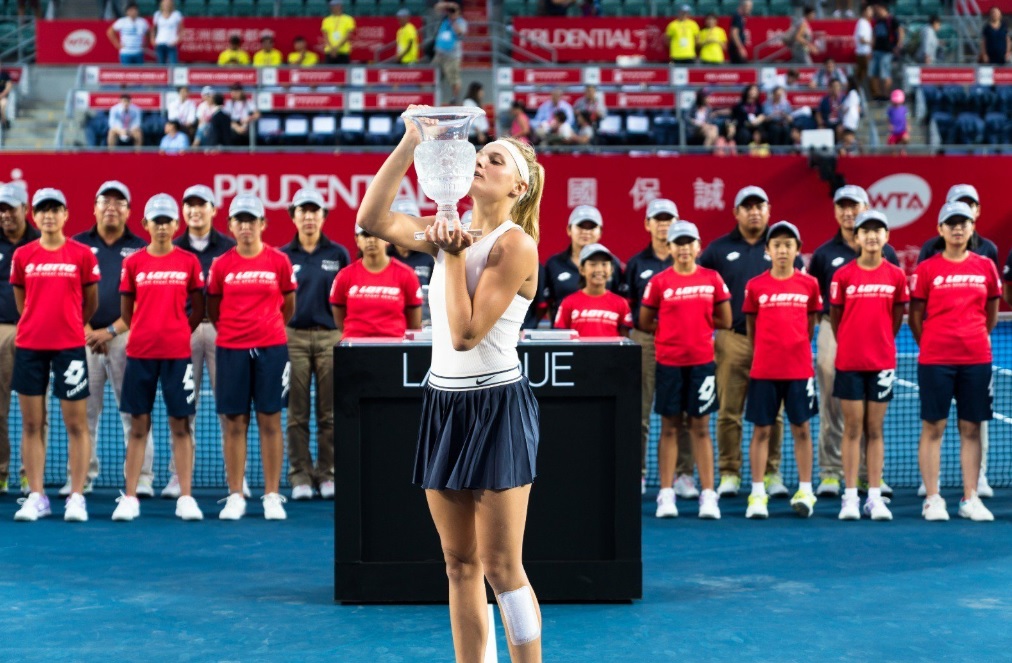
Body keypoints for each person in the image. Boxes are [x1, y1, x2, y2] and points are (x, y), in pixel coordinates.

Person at [356, 114, 546, 661]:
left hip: (496, 406)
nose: (482, 160)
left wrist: (455, 251)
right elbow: (372, 217)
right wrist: (411, 140)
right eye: (480, 154)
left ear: (519, 185)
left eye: (497, 159)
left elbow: (464, 336)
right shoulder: (448, 231)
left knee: (503, 568)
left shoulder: (516, 246)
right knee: (458, 563)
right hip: (444, 404)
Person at [699, 186, 801, 499]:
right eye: (748, 207)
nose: (754, 212)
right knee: (729, 410)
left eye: (760, 206)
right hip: (733, 340)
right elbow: (703, 289)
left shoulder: (781, 246)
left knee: (776, 412)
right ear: (737, 213)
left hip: (774, 344)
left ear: (768, 210)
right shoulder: (717, 250)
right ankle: (729, 472)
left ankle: (771, 473)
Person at [115, 194, 205, 522]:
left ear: (176, 224)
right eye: (157, 221)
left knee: (181, 426)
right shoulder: (133, 263)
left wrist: (181, 330)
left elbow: (198, 307)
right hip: (140, 354)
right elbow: (127, 312)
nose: (163, 227)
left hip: (177, 355)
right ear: (146, 225)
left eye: (168, 221)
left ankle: (186, 498)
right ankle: (129, 497)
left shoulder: (189, 262)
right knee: (138, 426)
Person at [11, 188, 98, 522]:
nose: (48, 215)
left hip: (70, 347)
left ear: (66, 215)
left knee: (76, 424)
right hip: (31, 346)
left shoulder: (81, 255)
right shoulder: (23, 256)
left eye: (55, 209)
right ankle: (37, 496)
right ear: (34, 215)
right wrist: (35, 322)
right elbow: (23, 301)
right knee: (32, 423)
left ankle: (76, 496)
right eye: (42, 210)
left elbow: (90, 302)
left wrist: (72, 324)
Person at [207, 194, 295, 521]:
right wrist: (237, 333)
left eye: (252, 220)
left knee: (270, 421)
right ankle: (235, 495)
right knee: (234, 422)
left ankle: (272, 494)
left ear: (263, 224)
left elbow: (288, 305)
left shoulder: (279, 262)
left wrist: (267, 329)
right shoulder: (221, 265)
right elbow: (214, 309)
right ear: (230, 226)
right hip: (231, 349)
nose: (246, 226)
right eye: (239, 220)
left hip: (272, 349)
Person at [911, 202, 1000, 522]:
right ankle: (933, 498)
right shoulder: (927, 269)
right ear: (940, 230)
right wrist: (935, 343)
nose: (958, 228)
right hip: (936, 359)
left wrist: (973, 336)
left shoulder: (985, 267)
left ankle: (970, 497)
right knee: (933, 427)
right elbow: (915, 316)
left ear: (972, 227)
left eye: (963, 223)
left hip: (976, 358)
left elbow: (991, 314)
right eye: (951, 223)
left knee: (972, 428)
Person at [807, 185, 899, 499]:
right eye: (842, 206)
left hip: (874, 333)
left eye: (854, 205)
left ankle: (867, 475)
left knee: (873, 411)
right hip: (834, 326)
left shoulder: (886, 253)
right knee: (833, 397)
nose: (848, 212)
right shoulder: (823, 254)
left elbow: (897, 306)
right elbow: (816, 296)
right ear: (835, 212)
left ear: (865, 207)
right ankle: (831, 473)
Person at [641, 221, 731, 520]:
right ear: (670, 248)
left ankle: (708, 495)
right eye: (678, 243)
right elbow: (645, 321)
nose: (683, 248)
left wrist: (698, 332)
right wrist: (671, 334)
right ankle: (666, 495)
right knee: (669, 428)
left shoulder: (713, 279)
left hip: (702, 363)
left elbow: (725, 319)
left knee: (701, 429)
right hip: (669, 363)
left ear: (697, 247)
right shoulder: (660, 282)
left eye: (688, 242)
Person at [71, 181, 154, 498]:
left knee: (134, 411)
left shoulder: (141, 249)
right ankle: (81, 476)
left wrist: (112, 331)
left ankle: (142, 477)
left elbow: (143, 299)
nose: (112, 207)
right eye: (105, 201)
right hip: (84, 336)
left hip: (126, 337)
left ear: (129, 212)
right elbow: (70, 294)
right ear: (94, 207)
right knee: (83, 413)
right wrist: (89, 329)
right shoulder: (77, 245)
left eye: (120, 202)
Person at [829, 209, 908, 521]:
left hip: (882, 363)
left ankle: (873, 497)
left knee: (874, 430)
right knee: (852, 428)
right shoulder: (843, 276)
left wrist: (880, 342)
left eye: (878, 230)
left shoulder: (896, 276)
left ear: (886, 237)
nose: (872, 235)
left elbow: (897, 318)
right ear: (856, 237)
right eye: (866, 231)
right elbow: (836, 320)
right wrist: (851, 341)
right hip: (849, 362)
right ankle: (849, 497)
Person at [741, 221, 821, 519]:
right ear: (768, 250)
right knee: (762, 430)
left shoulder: (809, 284)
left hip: (799, 370)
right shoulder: (756, 286)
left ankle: (804, 489)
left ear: (798, 250)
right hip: (764, 370)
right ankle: (758, 493)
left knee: (802, 429)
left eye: (789, 244)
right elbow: (751, 326)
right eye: (777, 244)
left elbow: (810, 324)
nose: (783, 250)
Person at [166, 184, 240, 499]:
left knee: (229, 407)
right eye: (190, 205)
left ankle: (235, 478)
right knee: (183, 406)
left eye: (202, 205)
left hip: (223, 331)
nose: (195, 211)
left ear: (213, 210)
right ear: (183, 212)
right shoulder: (172, 248)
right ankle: (176, 477)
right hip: (184, 331)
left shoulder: (230, 247)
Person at [280, 188, 350, 501]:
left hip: (330, 337)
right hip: (292, 338)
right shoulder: (283, 256)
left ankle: (328, 474)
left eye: (314, 211)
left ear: (323, 216)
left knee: (329, 413)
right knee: (296, 414)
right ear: (293, 216)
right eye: (302, 211)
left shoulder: (338, 254)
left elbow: (347, 297)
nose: (309, 217)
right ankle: (300, 476)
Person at [624, 198, 696, 497]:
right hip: (647, 342)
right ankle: (637, 473)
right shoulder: (637, 264)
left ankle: (683, 474)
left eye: (669, 219)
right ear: (648, 224)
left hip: (683, 342)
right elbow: (630, 306)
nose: (664, 224)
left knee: (686, 411)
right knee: (641, 409)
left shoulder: (688, 261)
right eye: (659, 219)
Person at [0, 184, 38, 495]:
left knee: (35, 410)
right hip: (0, 331)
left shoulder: (42, 242)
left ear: (25, 209)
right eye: (0, 209)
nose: (5, 214)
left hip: (36, 333)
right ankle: (1, 473)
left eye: (11, 208)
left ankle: (30, 474)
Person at [329, 224, 422, 338]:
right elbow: (339, 314)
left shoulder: (406, 274)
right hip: (355, 348)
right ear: (357, 240)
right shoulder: (344, 275)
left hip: (394, 347)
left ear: (387, 239)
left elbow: (414, 323)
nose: (371, 240)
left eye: (376, 235)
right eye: (365, 235)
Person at [545, 205, 623, 324]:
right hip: (562, 335)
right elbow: (546, 304)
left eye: (591, 227)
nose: (585, 231)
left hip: (604, 334)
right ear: (569, 229)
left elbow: (620, 301)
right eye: (580, 226)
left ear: (600, 231)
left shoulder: (613, 263)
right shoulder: (554, 264)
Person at [554, 243, 632, 337]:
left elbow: (625, 341)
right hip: (578, 352)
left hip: (610, 352)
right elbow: (561, 338)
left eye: (604, 264)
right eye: (593, 264)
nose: (599, 269)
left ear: (611, 270)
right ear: (582, 270)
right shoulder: (568, 302)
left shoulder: (621, 303)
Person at [431, 2, 467, 102]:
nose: (451, 13)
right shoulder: (444, 19)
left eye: (454, 11)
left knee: (454, 79)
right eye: (450, 11)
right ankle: (431, 95)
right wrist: (449, 5)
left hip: (452, 56)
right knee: (431, 74)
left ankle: (454, 98)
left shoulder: (461, 22)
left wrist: (453, 20)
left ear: (459, 12)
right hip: (439, 54)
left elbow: (460, 33)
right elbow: (437, 7)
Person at [870, 4, 903, 102]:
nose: (877, 11)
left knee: (885, 73)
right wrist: (871, 49)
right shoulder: (877, 21)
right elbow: (874, 35)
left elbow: (900, 31)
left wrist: (898, 45)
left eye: (878, 9)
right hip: (876, 50)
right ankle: (879, 94)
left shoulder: (892, 20)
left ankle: (886, 94)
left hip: (887, 51)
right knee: (874, 74)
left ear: (883, 9)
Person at [322, 0, 356, 65]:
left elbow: (348, 35)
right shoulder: (326, 20)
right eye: (332, 6)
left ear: (340, 6)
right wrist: (332, 49)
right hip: (330, 51)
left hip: (343, 51)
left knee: (344, 72)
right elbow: (325, 36)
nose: (333, 8)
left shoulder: (348, 19)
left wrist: (336, 48)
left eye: (335, 6)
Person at [150, 0, 183, 65]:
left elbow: (182, 30)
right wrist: (152, 39)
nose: (166, 5)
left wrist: (177, 40)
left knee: (174, 65)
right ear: (161, 5)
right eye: (165, 3)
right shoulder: (157, 14)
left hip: (171, 44)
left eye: (168, 3)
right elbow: (153, 29)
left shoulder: (176, 14)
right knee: (160, 66)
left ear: (172, 4)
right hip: (160, 43)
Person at [853, 4, 874, 90]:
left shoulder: (866, 23)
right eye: (869, 10)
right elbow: (862, 39)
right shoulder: (862, 23)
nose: (871, 12)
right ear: (864, 12)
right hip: (863, 53)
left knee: (861, 74)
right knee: (866, 74)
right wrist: (872, 43)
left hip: (865, 52)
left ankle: (855, 89)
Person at [729, 0, 752, 64]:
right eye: (749, 6)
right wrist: (740, 48)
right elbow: (734, 33)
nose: (750, 9)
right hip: (736, 50)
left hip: (736, 49)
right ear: (744, 6)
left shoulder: (741, 17)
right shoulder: (738, 17)